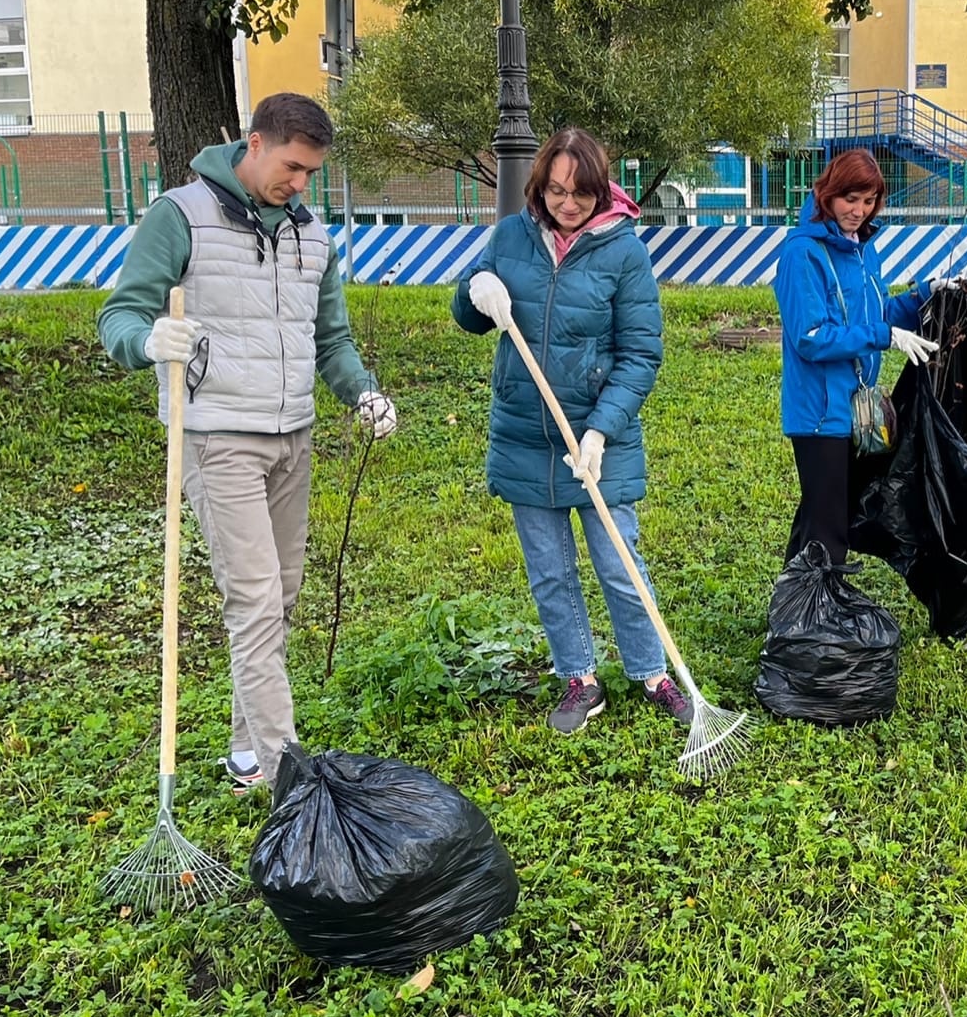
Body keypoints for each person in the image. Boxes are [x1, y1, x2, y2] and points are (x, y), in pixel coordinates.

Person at [97, 92, 397, 795]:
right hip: (217, 438)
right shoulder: (181, 215)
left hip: (293, 435)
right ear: (254, 144)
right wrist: (146, 341)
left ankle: (244, 749)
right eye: (292, 167)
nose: (300, 183)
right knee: (256, 599)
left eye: (311, 174)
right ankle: (285, 767)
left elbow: (331, 340)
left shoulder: (311, 233)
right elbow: (120, 313)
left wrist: (363, 391)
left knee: (281, 595)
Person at [452, 127, 685, 736]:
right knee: (550, 571)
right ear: (540, 186)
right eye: (556, 191)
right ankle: (579, 676)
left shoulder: (622, 252)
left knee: (619, 563)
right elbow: (467, 316)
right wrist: (476, 293)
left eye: (580, 193)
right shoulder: (510, 237)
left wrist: (602, 431)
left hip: (596, 441)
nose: (567, 204)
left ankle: (652, 671)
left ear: (599, 189)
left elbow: (640, 354)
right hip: (527, 434)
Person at [773, 147, 942, 565]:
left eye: (869, 202)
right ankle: (817, 618)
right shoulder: (803, 254)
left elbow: (876, 313)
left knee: (823, 514)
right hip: (819, 413)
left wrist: (926, 295)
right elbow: (810, 337)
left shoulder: (862, 248)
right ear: (828, 194)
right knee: (829, 527)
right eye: (850, 199)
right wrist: (885, 336)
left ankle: (796, 610)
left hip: (855, 408)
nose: (859, 211)